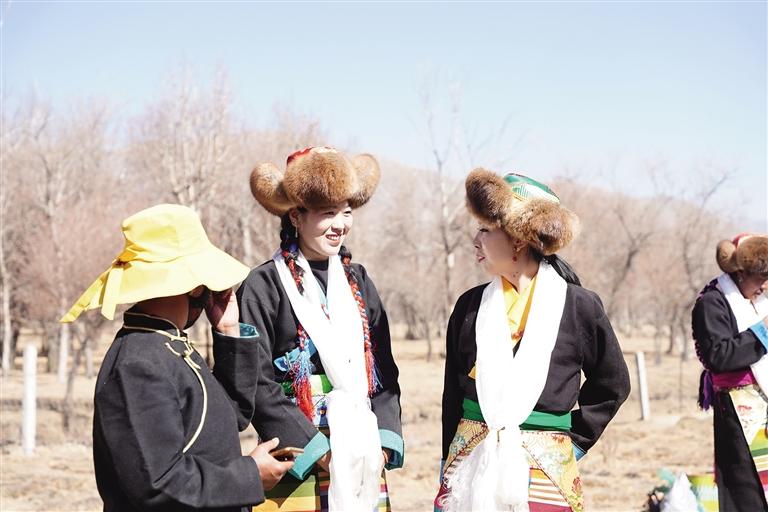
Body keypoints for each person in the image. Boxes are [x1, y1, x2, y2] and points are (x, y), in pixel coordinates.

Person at [61, 204, 294, 512]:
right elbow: (157, 483)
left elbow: (230, 417)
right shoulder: (138, 364)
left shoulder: (167, 343)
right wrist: (250, 475)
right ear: (197, 287)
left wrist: (228, 331)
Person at [434, 169, 631, 512]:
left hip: (546, 467)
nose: (475, 240)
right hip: (469, 461)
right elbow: (453, 392)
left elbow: (612, 384)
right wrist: (448, 458)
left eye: (485, 230)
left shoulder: (580, 306)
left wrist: (573, 442)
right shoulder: (469, 306)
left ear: (518, 240)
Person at [234, 146, 403, 511]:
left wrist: (383, 444)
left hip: (363, 450)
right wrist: (318, 451)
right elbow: (258, 381)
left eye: (347, 211)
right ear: (296, 215)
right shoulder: (263, 285)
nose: (340, 224)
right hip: (298, 452)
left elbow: (383, 371)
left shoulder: (359, 281)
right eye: (328, 213)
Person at [693, 234, 768, 511]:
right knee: (747, 490)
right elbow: (719, 356)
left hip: (763, 404)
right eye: (761, 277)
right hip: (737, 408)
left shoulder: (758, 302)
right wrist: (763, 331)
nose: (765, 285)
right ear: (740, 272)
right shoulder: (712, 302)